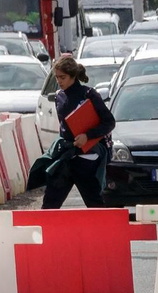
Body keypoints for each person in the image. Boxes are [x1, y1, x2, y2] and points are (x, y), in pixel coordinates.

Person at [43, 55, 116, 209]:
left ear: (73, 76)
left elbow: (109, 122)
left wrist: (87, 136)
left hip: (87, 157)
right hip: (67, 155)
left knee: (95, 204)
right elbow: (65, 127)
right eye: (57, 77)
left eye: (62, 77)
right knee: (50, 203)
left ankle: (105, 232)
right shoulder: (59, 97)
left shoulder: (88, 94)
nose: (59, 81)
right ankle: (44, 232)